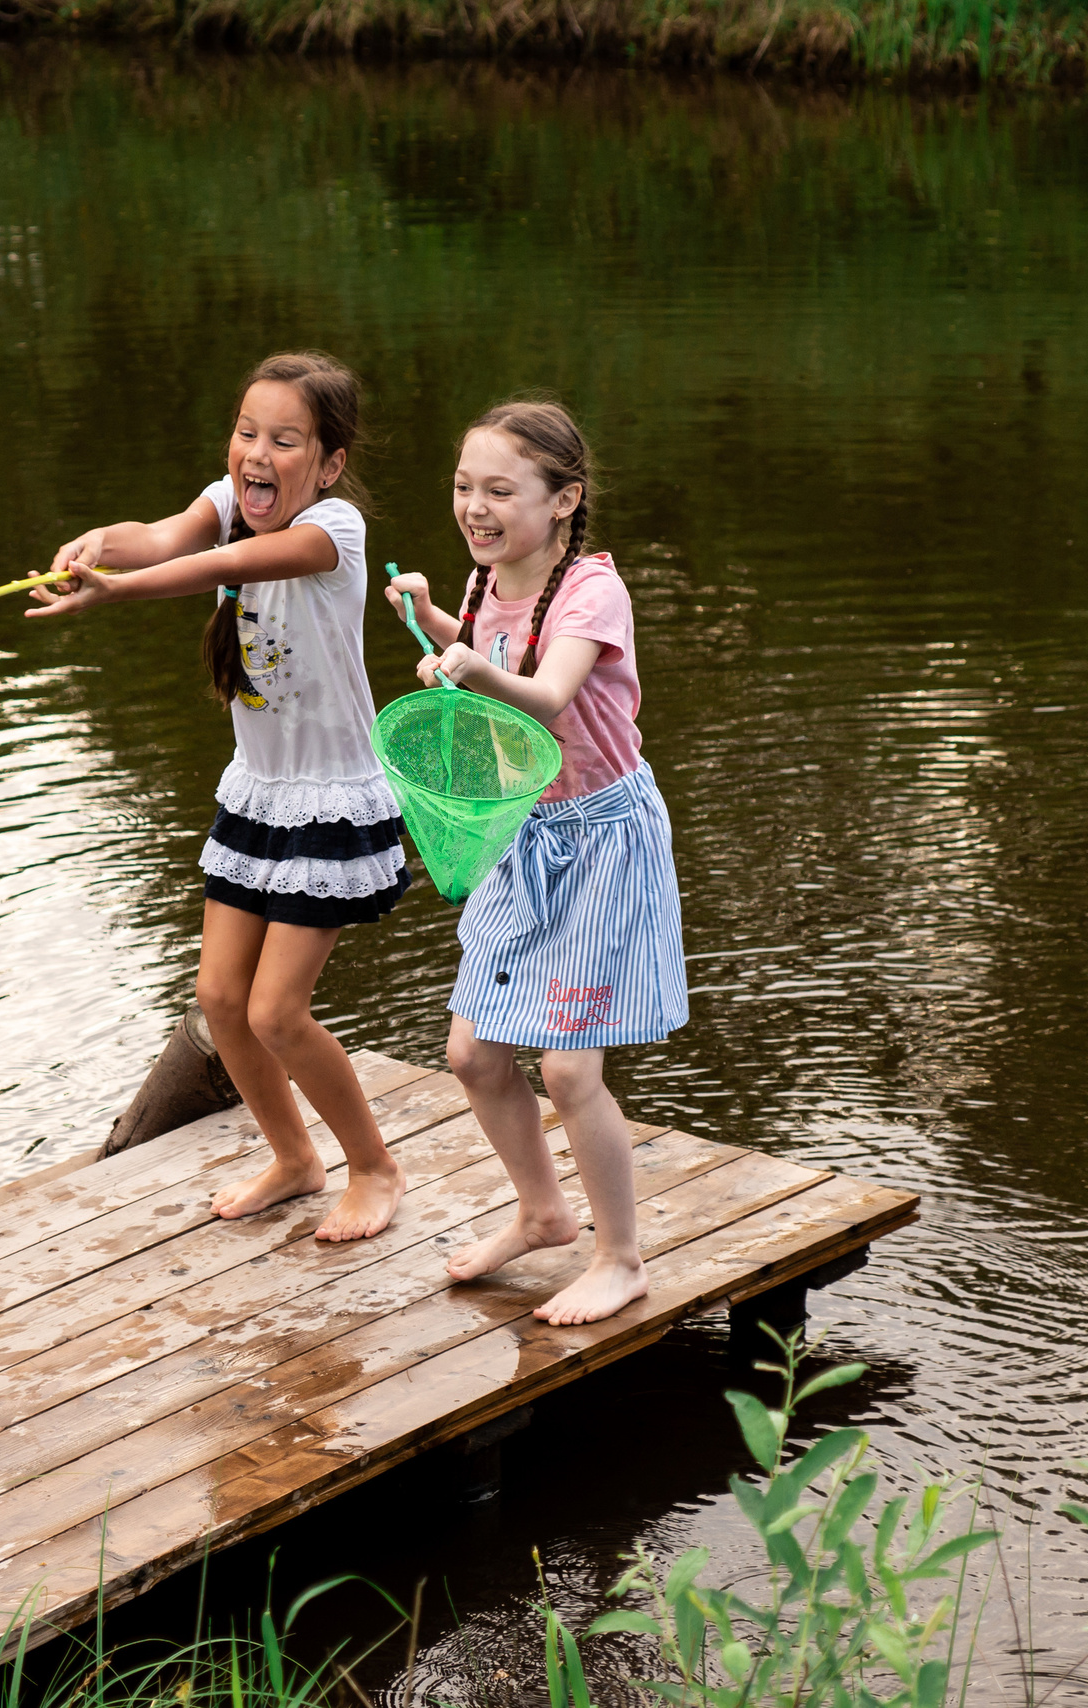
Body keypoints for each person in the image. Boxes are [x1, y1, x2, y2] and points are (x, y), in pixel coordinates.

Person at [29, 352, 410, 1241]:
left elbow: (214, 565)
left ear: (328, 462)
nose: (257, 454)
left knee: (278, 1010)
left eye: (285, 440)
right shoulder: (230, 498)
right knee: (221, 1001)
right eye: (247, 433)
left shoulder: (336, 532)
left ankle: (376, 1168)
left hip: (331, 800)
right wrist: (95, 548)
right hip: (261, 796)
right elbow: (163, 538)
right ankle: (294, 1157)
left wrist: (116, 593)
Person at [382, 399, 686, 1324]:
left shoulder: (593, 591)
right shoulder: (484, 585)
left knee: (567, 1069)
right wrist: (435, 619)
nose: (475, 506)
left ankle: (621, 1256)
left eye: (500, 490)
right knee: (473, 1053)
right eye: (465, 487)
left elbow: (548, 695)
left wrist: (469, 667)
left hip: (600, 840)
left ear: (563, 500)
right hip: (524, 835)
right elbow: (483, 657)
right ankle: (543, 1211)